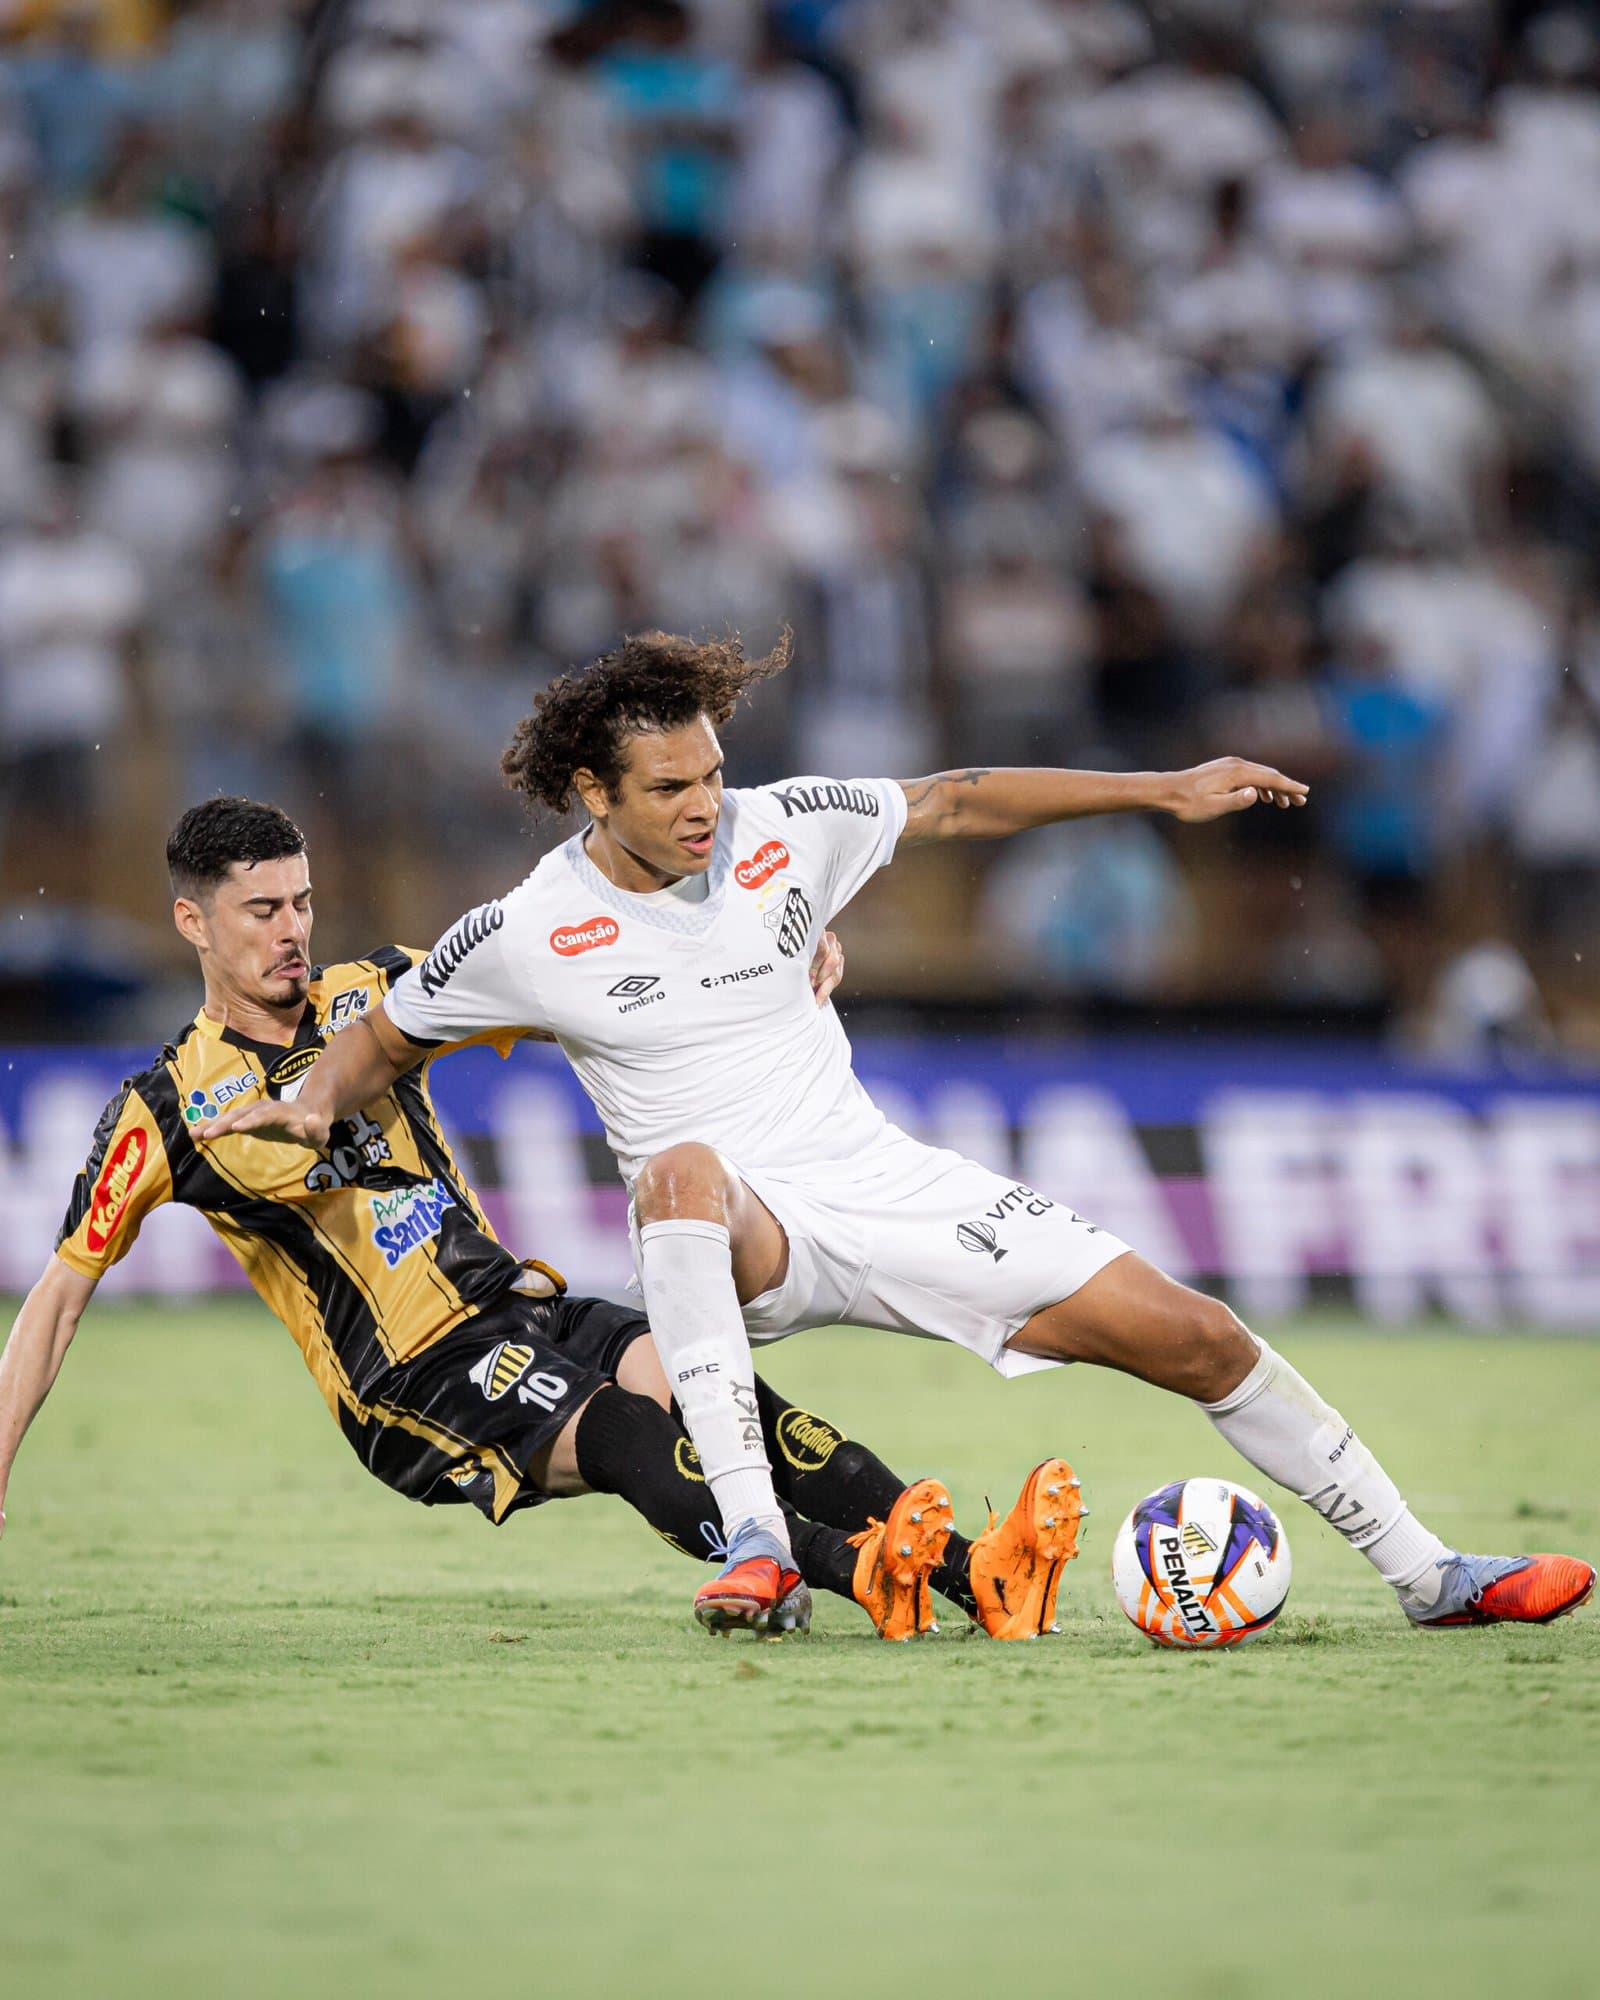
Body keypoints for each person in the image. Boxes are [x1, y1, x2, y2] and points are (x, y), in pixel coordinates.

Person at [208, 635, 1595, 1639]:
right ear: (592, 792)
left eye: (714, 774)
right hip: (741, 1233)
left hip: (889, 1188)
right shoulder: (523, 932)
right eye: (672, 789)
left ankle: (1431, 1575)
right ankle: (755, 1540)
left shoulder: (779, 832)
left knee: (1201, 1335)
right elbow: (392, 1030)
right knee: (678, 1174)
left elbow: (955, 797)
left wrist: (1162, 789)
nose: (707, 806)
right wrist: (316, 1098)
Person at [0, 796, 1088, 1645]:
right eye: (261, 910)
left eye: (302, 903)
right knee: (625, 1432)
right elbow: (55, 1298)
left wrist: (763, 963)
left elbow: (585, 974)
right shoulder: (160, 1107)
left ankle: (968, 1567)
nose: (293, 932)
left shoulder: (375, 993)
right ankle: (854, 1571)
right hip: (411, 1377)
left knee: (718, 1386)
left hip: (520, 1301)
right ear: (192, 919)